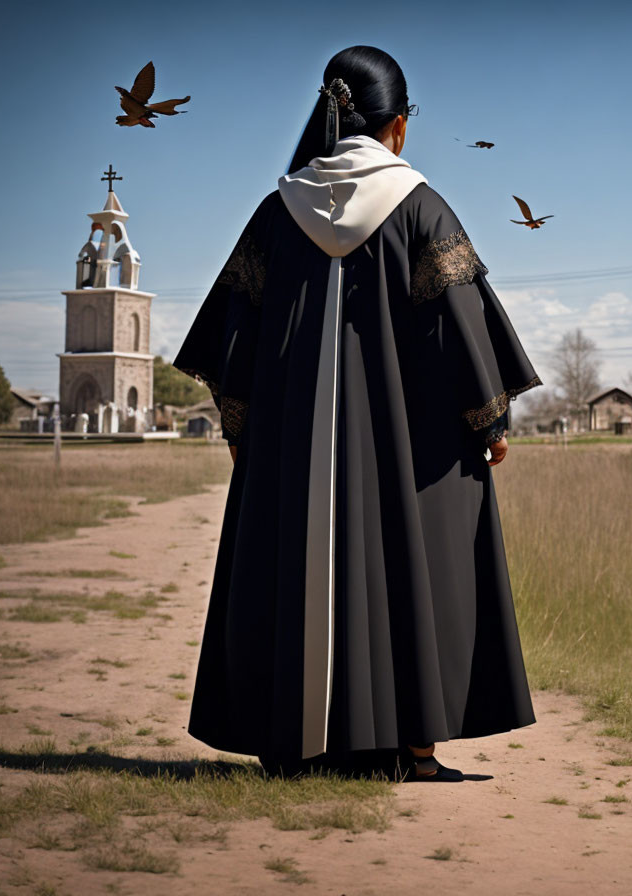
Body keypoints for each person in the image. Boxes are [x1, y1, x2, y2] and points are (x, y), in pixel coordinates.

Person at [172, 46, 542, 781]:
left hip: (290, 453)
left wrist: (245, 429)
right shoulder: (422, 208)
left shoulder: (277, 213)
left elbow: (232, 335)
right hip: (405, 456)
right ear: (397, 127)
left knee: (290, 555)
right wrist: (489, 425)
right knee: (427, 547)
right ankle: (415, 749)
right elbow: (461, 331)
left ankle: (294, 745)